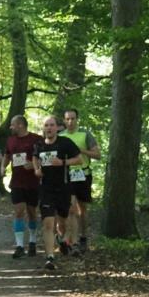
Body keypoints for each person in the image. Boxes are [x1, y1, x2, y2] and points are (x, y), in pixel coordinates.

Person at [32, 116, 82, 272]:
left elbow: (79, 159)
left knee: (62, 223)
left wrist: (63, 163)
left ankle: (61, 240)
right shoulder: (39, 145)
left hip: (63, 188)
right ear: (43, 128)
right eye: (46, 125)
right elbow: (34, 157)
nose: (49, 128)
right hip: (46, 189)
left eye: (52, 125)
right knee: (48, 223)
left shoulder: (65, 143)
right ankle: (49, 257)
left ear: (57, 128)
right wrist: (37, 169)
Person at [60, 108, 101, 255]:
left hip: (83, 174)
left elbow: (98, 155)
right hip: (67, 175)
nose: (70, 121)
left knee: (82, 209)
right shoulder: (60, 136)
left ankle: (83, 238)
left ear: (77, 119)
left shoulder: (85, 134)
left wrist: (81, 151)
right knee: (71, 209)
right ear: (64, 120)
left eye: (73, 118)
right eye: (68, 119)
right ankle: (71, 240)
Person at [3, 115, 43, 258]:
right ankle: (19, 246)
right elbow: (7, 155)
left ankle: (32, 241)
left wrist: (33, 165)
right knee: (19, 212)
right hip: (17, 182)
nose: (10, 127)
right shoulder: (11, 140)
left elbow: (44, 158)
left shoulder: (36, 139)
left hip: (32, 182)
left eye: (12, 125)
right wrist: (3, 167)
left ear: (20, 125)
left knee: (32, 212)